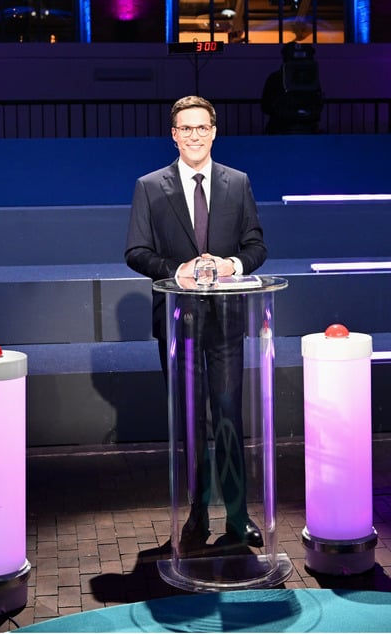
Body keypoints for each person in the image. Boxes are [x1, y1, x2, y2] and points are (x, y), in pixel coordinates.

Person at [125, 95, 267, 550]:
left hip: (226, 322)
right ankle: (198, 513)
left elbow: (256, 245)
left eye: (201, 127)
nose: (194, 136)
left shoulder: (237, 182)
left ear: (214, 131)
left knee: (227, 416)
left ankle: (239, 516)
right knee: (190, 422)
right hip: (177, 322)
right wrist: (177, 271)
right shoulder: (149, 186)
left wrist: (230, 265)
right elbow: (136, 252)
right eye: (185, 129)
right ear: (173, 134)